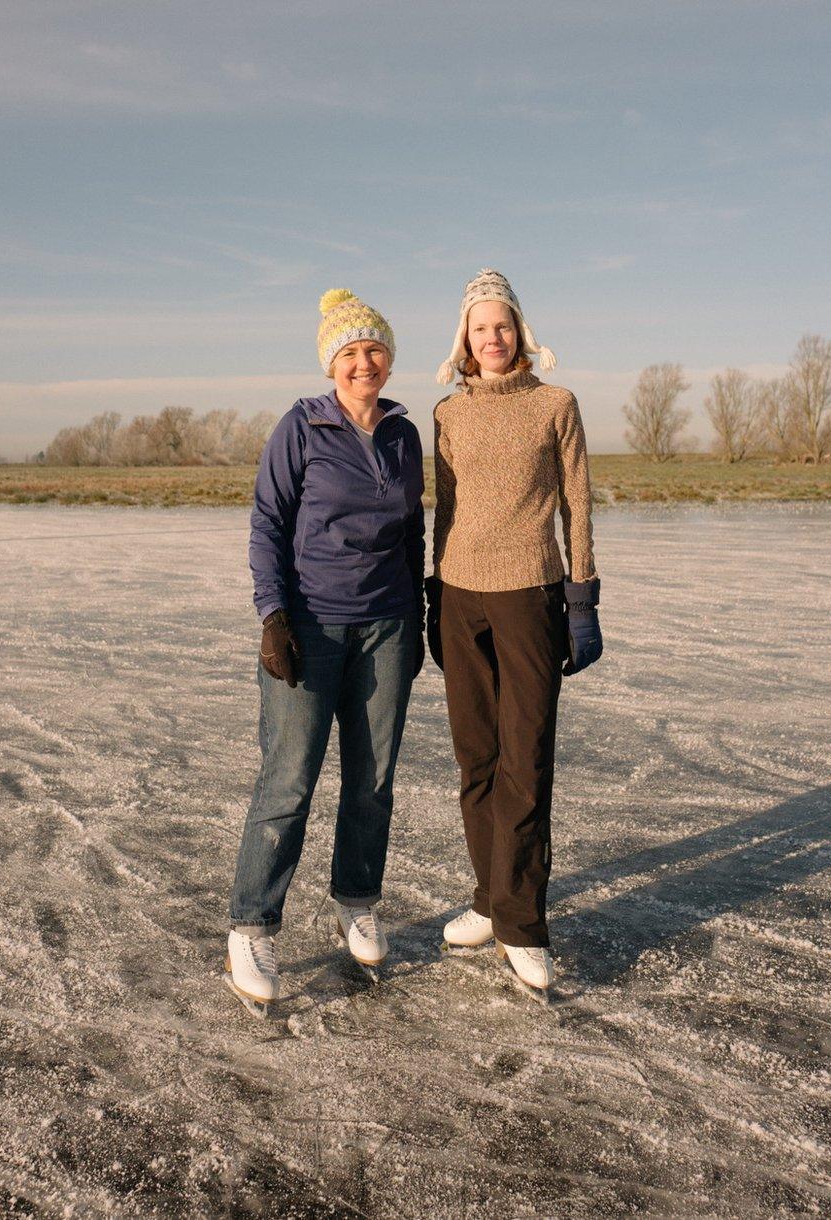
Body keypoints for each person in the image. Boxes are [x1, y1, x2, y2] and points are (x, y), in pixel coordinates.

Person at [226, 289, 425, 1014]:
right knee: (290, 781)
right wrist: (273, 615)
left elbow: (411, 533)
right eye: (350, 352)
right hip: (310, 627)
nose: (363, 362)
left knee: (373, 781)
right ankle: (253, 923)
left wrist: (420, 611)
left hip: (389, 626)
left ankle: (356, 899)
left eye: (374, 350)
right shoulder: (301, 427)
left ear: (389, 357)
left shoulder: (404, 435)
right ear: (331, 364)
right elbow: (267, 523)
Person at [426, 268, 602, 996]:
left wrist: (583, 598)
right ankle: (489, 900)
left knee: (525, 763)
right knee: (477, 760)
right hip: (461, 595)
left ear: (519, 332)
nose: (490, 338)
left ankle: (522, 927)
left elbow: (578, 504)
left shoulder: (555, 405)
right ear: (463, 338)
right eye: (478, 327)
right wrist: (433, 595)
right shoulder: (447, 414)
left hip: (530, 596)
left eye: (501, 325)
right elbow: (443, 510)